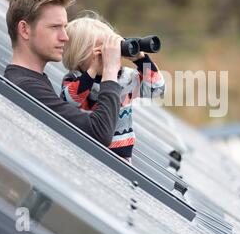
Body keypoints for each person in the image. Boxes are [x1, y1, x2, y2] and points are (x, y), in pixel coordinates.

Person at [3, 0, 123, 148]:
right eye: (54, 27)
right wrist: (110, 70)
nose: (65, 37)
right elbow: (100, 133)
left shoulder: (31, 80)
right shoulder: (27, 87)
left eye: (64, 27)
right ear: (25, 29)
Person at [60, 14, 165, 163]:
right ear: (79, 54)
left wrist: (141, 60)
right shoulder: (74, 78)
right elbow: (70, 100)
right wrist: (93, 70)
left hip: (122, 157)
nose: (111, 54)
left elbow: (157, 89)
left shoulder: (125, 77)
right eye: (104, 50)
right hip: (84, 152)